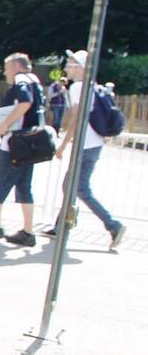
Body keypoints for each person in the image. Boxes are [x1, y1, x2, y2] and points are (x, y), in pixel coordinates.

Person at [48, 49, 127, 247]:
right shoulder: (93, 86)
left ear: (81, 68)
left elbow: (76, 118)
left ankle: (113, 225)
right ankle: (61, 226)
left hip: (85, 146)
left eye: (71, 64)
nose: (67, 67)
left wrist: (63, 145)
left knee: (79, 188)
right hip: (94, 145)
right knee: (71, 186)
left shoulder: (79, 88)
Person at [0, 52, 45, 247]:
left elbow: (25, 102)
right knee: (24, 187)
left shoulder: (21, 80)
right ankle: (28, 231)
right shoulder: (35, 81)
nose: (5, 72)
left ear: (16, 66)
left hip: (14, 143)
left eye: (7, 68)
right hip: (29, 144)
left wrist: (5, 124)